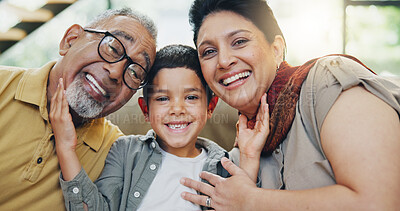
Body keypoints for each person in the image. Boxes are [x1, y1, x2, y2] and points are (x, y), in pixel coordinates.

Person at [180, 0, 400, 210]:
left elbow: (379, 203)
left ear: (276, 49)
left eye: (239, 42)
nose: (224, 61)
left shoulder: (326, 83)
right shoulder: (239, 157)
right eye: (209, 52)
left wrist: (251, 202)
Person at [50, 44, 268, 210]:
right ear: (145, 110)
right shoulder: (125, 153)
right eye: (163, 99)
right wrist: (66, 148)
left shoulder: (224, 166)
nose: (177, 109)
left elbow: (245, 204)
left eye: (191, 97)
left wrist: (249, 155)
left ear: (210, 107)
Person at [0, 8, 157, 210]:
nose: (116, 72)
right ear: (70, 39)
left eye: (135, 72)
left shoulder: (117, 153)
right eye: (113, 48)